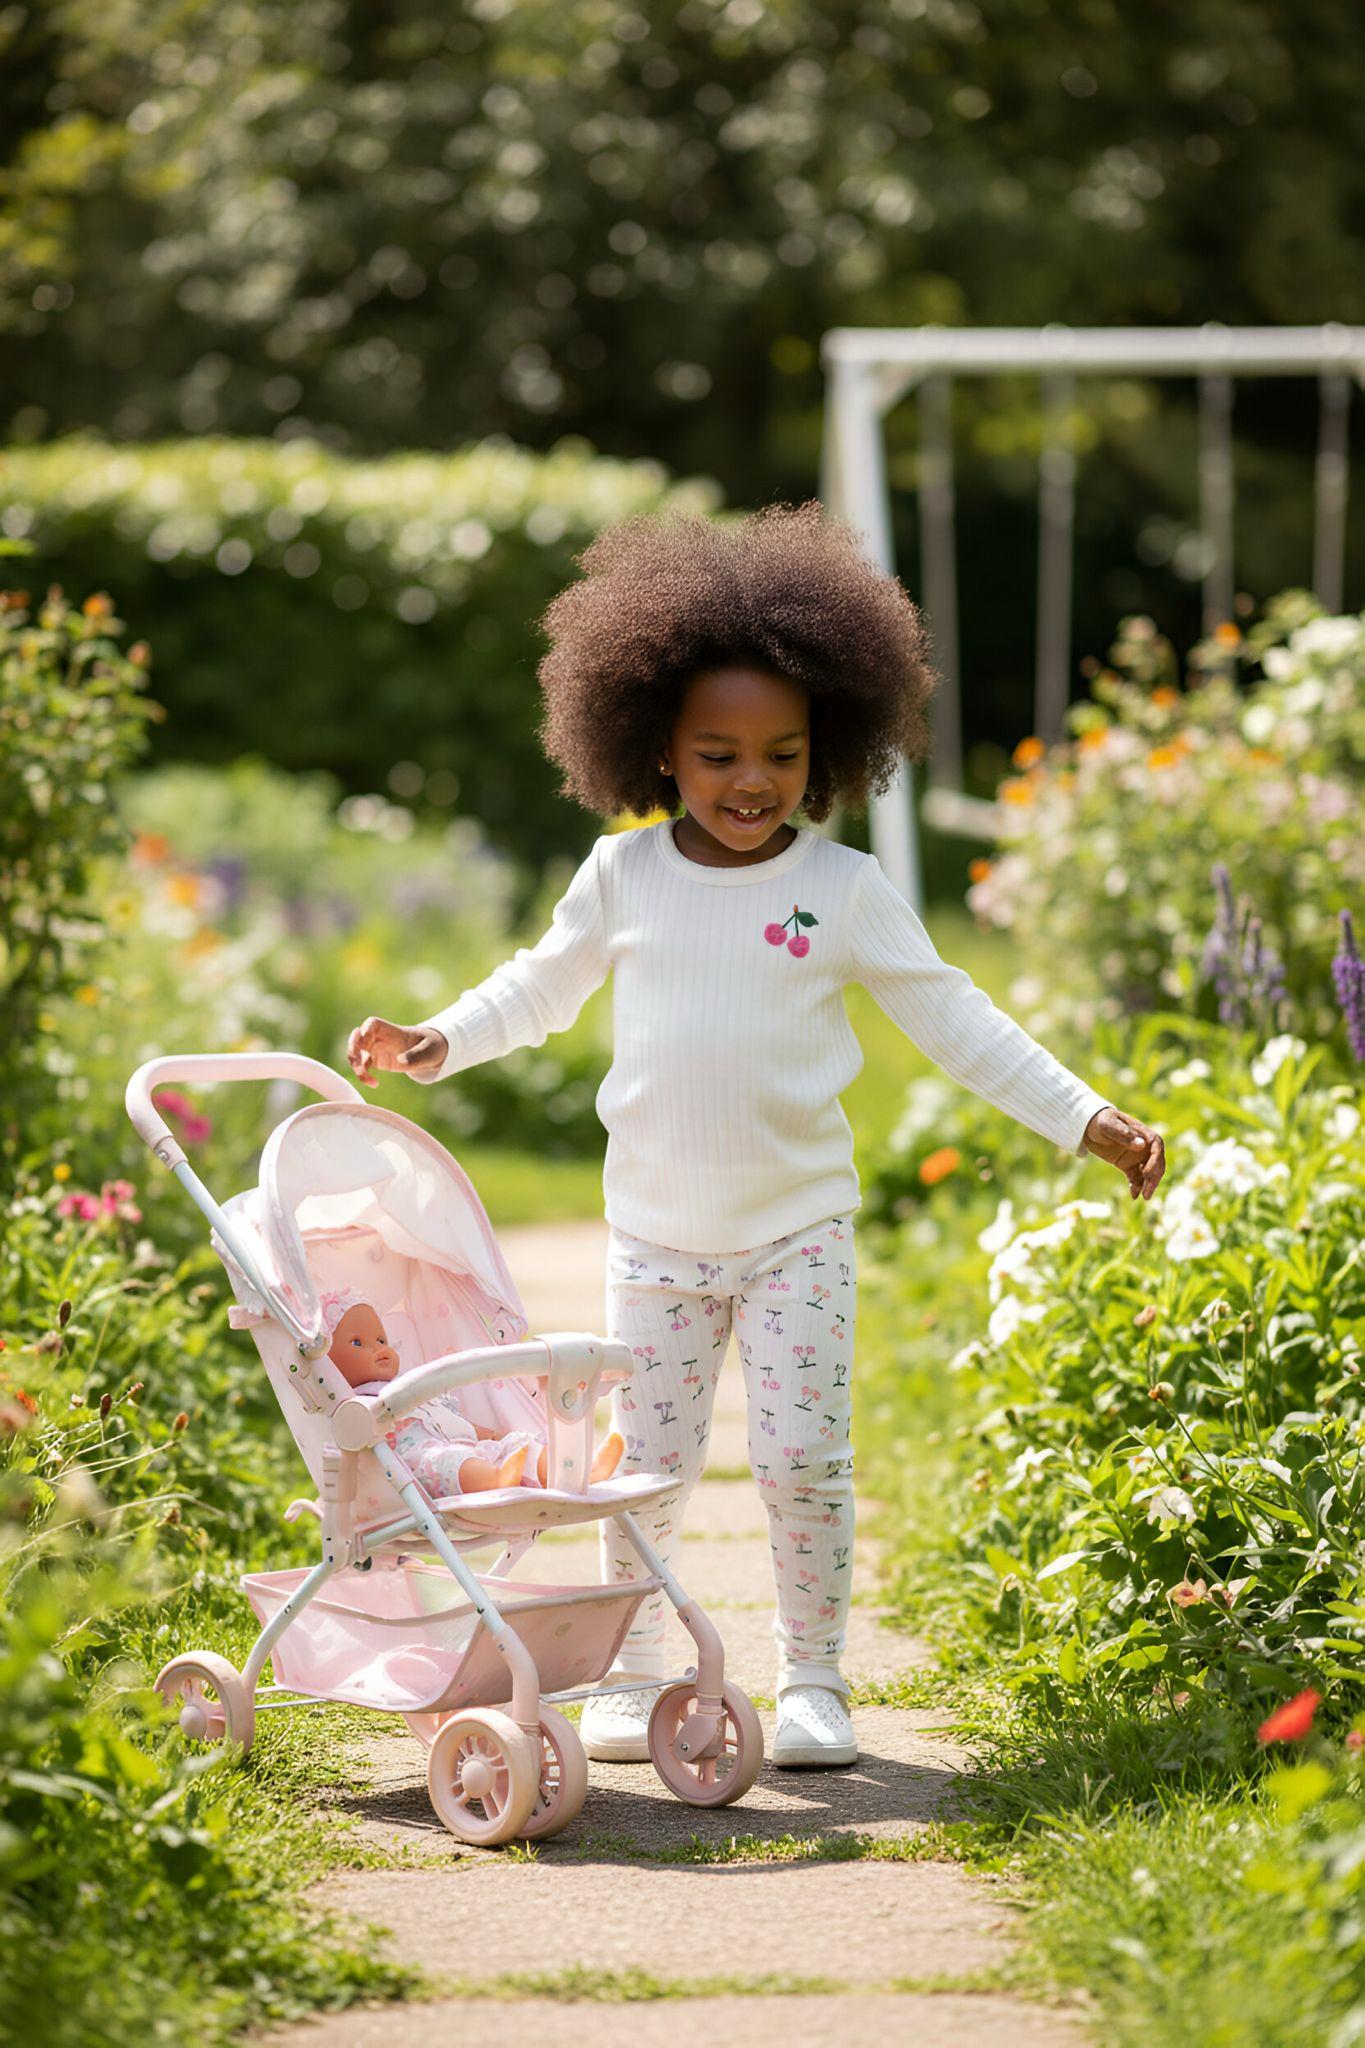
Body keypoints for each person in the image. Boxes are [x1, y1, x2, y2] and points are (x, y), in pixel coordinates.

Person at [346, 501, 1166, 1768]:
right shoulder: (621, 876)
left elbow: (959, 1019)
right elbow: (538, 985)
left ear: (825, 747)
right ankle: (629, 1669)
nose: (751, 780)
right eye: (718, 752)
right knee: (642, 1471)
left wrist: (1086, 1116)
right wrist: (439, 1039)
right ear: (656, 748)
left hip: (797, 1236)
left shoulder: (841, 889)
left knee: (802, 1464)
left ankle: (817, 1678)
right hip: (656, 1241)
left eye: (781, 753)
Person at [320, 1288, 625, 1495]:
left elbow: (453, 1422)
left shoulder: (411, 1386)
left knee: (516, 1442)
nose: (378, 1349)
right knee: (446, 1460)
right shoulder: (356, 1404)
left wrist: (490, 1436)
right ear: (329, 1362)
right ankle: (494, 1480)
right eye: (358, 1343)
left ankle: (578, 1473)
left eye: (382, 1339)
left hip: (463, 1446)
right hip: (415, 1465)